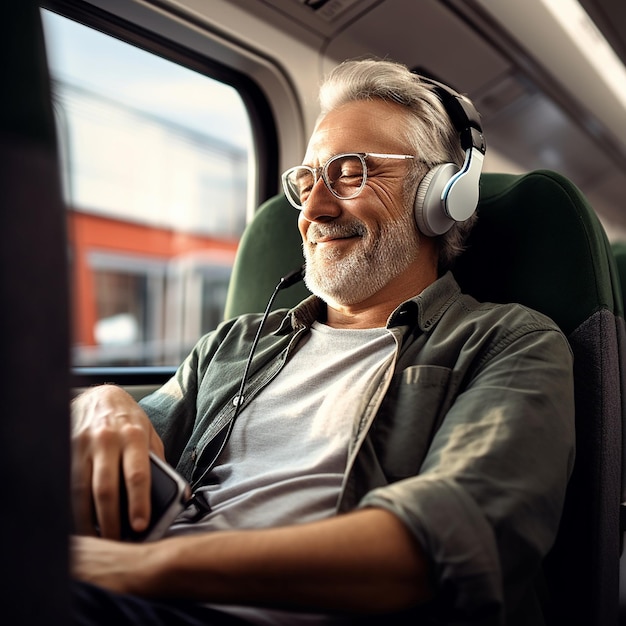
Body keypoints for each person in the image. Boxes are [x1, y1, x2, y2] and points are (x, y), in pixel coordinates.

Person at [70, 58, 575, 625]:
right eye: (307, 181)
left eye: (353, 172)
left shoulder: (508, 343)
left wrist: (144, 568)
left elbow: (437, 544)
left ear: (441, 196)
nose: (313, 209)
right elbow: (127, 447)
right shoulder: (234, 345)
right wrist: (101, 402)